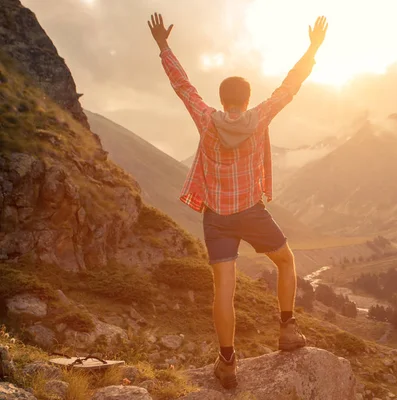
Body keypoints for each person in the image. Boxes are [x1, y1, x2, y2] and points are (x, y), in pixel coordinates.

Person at [147, 12, 328, 389]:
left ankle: (227, 363)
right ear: (245, 100)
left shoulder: (206, 118)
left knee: (223, 293)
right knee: (287, 261)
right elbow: (289, 87)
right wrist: (312, 48)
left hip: (217, 219)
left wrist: (164, 46)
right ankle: (287, 330)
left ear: (222, 99)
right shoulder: (260, 117)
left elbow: (183, 86)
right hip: (252, 212)